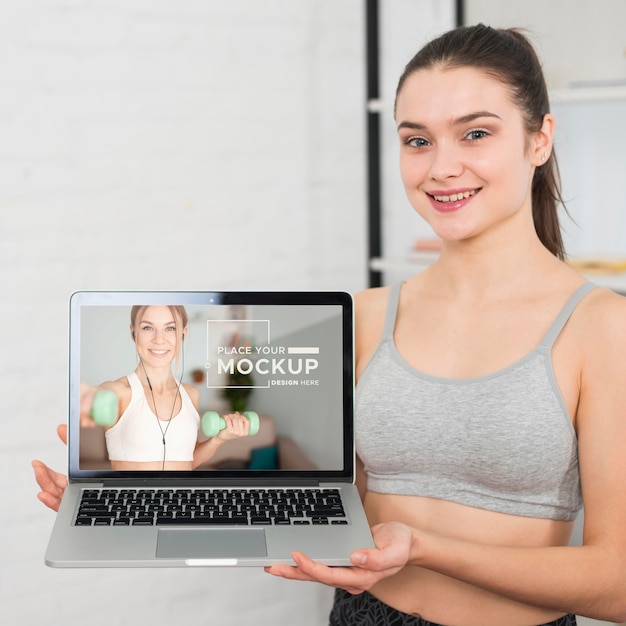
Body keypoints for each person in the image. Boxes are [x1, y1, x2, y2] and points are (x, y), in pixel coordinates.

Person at [33, 24, 626, 626]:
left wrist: (425, 548)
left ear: (539, 139)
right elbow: (331, 506)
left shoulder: (600, 328)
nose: (442, 167)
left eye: (475, 133)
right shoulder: (366, 316)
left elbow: (618, 583)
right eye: (416, 141)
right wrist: (129, 492)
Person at [86, 304, 251, 471]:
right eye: (148, 328)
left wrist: (219, 439)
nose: (159, 339)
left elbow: (187, 461)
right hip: (134, 496)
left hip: (181, 495)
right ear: (133, 332)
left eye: (170, 328)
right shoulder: (114, 392)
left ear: (182, 334)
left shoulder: (191, 394)